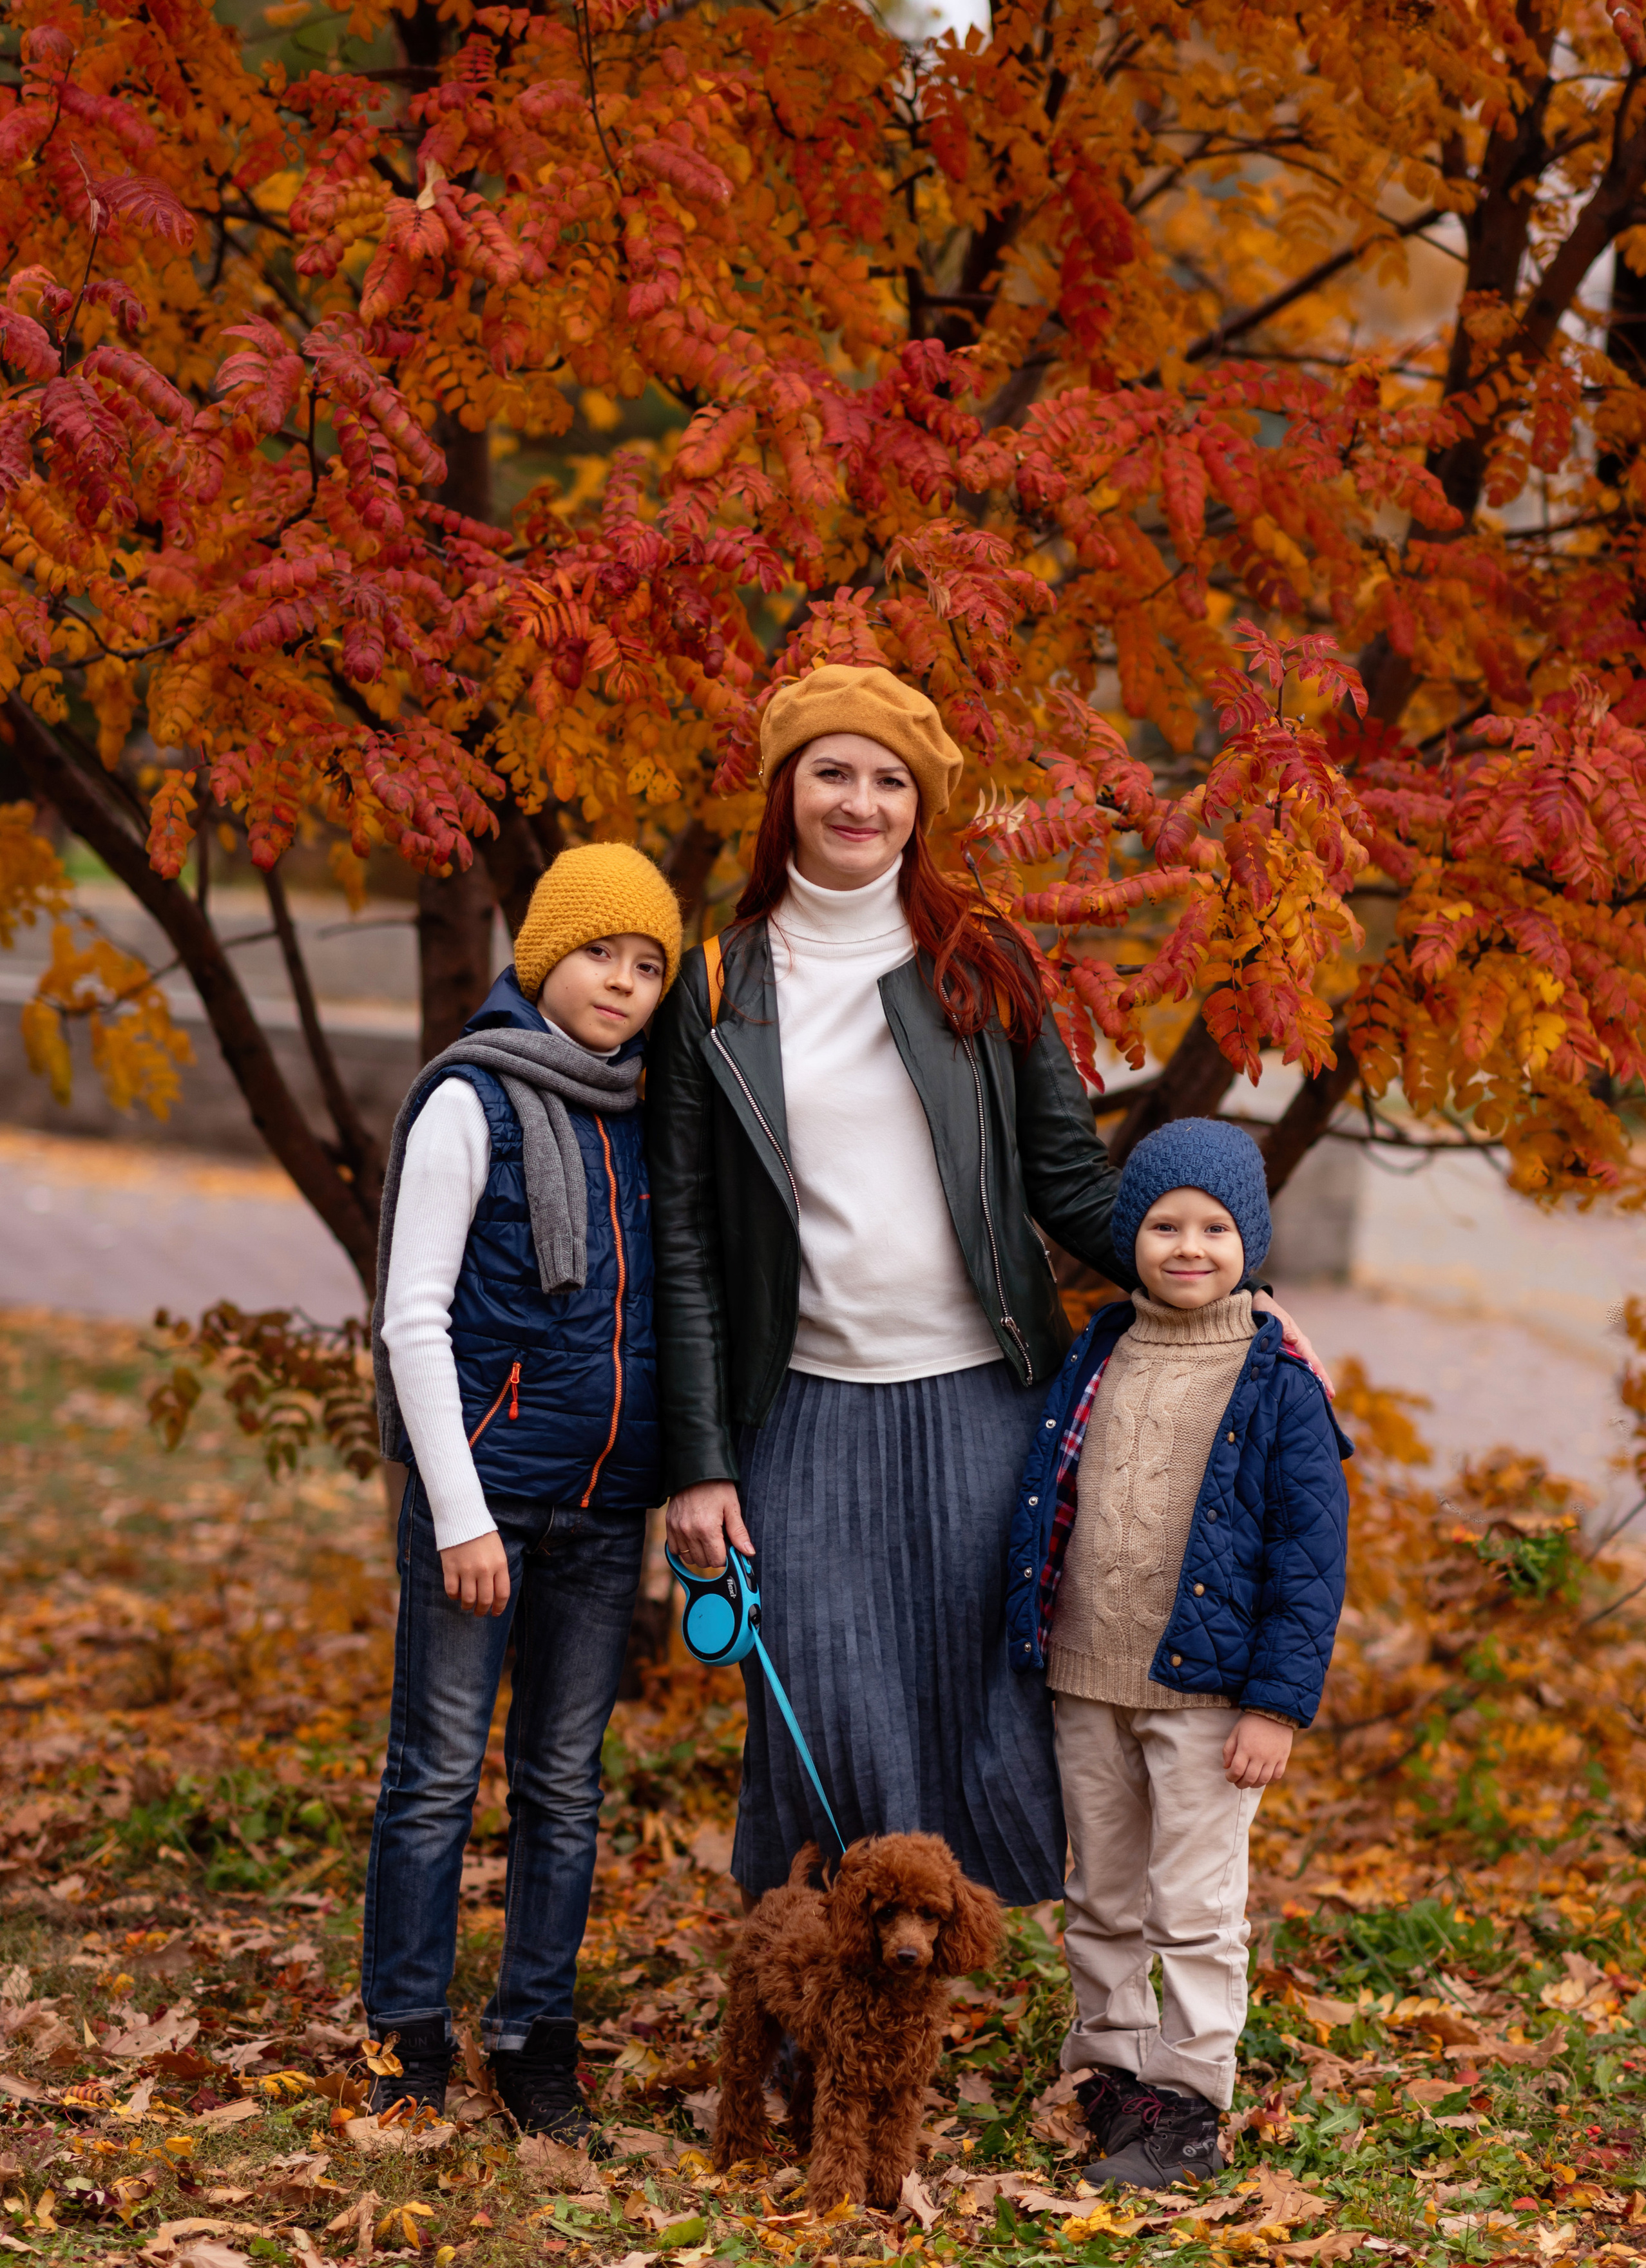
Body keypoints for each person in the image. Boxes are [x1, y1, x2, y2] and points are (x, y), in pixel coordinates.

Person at [645, 663, 1321, 1906]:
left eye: (890, 780)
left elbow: (1066, 1180)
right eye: (832, 772)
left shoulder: (985, 961)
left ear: (922, 806)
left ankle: (939, 1987)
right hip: (795, 1410)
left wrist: (1233, 1300)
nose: (860, 802)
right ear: (786, 792)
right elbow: (685, 1239)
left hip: (983, 1401)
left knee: (983, 1713)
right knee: (823, 1720)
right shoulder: (714, 989)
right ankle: (811, 2009)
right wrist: (697, 1459)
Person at [365, 843, 682, 2133]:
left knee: (565, 1784)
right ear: (545, 956)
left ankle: (533, 2040)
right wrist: (460, 1514)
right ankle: (404, 2039)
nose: (620, 982)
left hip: (601, 1515)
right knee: (436, 1775)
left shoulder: (647, 1113)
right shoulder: (472, 1099)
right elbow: (412, 1321)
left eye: (647, 963)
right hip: (483, 1513)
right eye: (601, 954)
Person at [1006, 1118, 1352, 2189]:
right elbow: (1045, 1498)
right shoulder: (1098, 1350)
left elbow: (1308, 1559)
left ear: (1249, 1238)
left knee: (1193, 1905)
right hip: (1086, 1676)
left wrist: (1275, 1706)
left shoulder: (1278, 1379)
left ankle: (1191, 2095)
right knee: (1103, 1892)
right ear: (1131, 1237)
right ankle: (1110, 2067)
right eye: (1162, 1225)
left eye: (1213, 1226)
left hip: (1208, 1699)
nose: (1187, 1246)